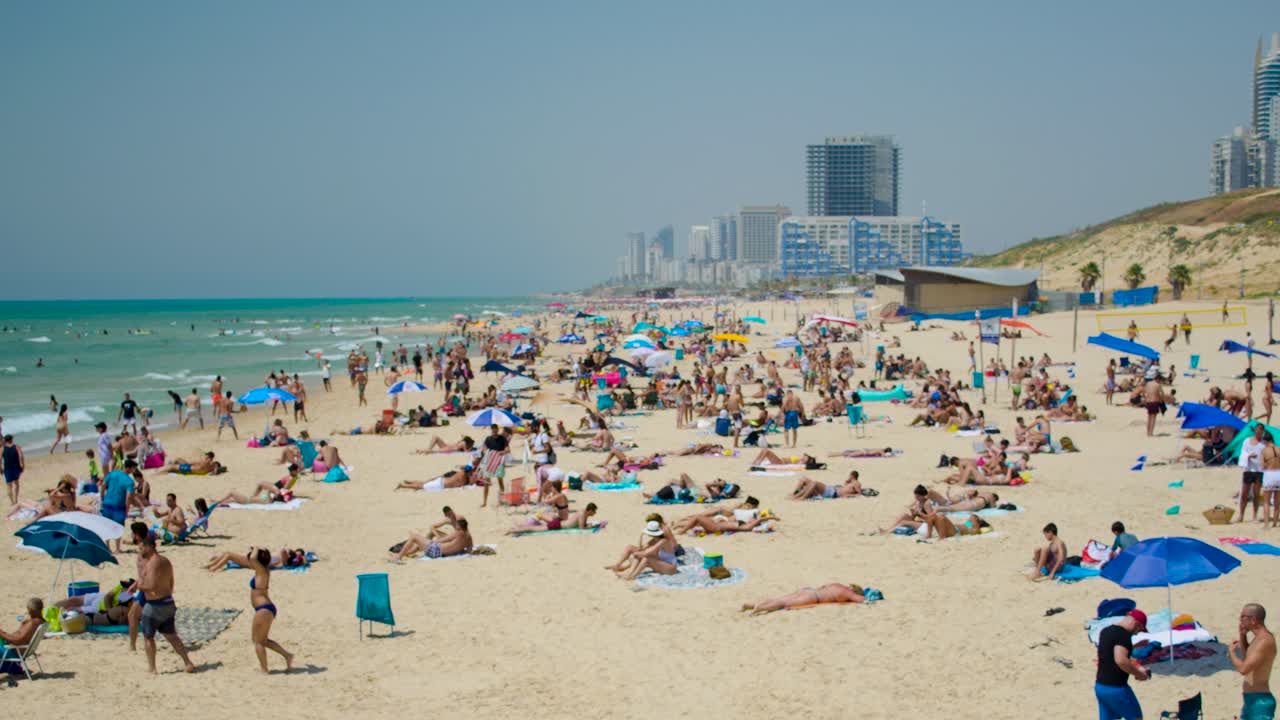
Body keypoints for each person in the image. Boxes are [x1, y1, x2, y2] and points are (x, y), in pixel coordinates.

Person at [137, 534, 197, 673]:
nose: (140, 551)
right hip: (168, 602)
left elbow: (151, 585)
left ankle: (152, 668)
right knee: (171, 635)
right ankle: (187, 662)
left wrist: (140, 586)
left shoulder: (153, 563)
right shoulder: (165, 560)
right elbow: (171, 583)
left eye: (141, 548)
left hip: (154, 605)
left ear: (149, 547)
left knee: (148, 637)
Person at [1094, 609, 1150, 720]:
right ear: (1136, 623)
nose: (1137, 633)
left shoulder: (1106, 631)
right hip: (1116, 689)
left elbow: (1109, 650)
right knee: (1136, 717)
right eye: (1139, 629)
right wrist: (1139, 674)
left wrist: (1133, 646)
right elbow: (1121, 660)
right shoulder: (1124, 636)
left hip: (1101, 686)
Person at [245, 547, 294, 673]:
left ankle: (264, 669)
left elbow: (252, 558)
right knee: (263, 640)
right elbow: (253, 559)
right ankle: (287, 655)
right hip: (265, 608)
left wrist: (256, 547)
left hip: (263, 609)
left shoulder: (261, 570)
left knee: (258, 642)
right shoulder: (263, 570)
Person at [1231, 603, 1276, 720]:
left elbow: (1243, 669)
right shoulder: (1258, 639)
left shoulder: (1265, 641)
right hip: (1250, 700)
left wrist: (1231, 654)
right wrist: (1242, 636)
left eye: (1243, 616)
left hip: (1260, 702)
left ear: (1254, 620)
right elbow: (1248, 659)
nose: (1240, 620)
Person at [603, 517, 678, 580]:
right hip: (661, 562)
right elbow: (641, 548)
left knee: (646, 558)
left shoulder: (663, 541)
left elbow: (646, 553)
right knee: (630, 547)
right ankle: (618, 566)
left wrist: (637, 554)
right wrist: (641, 536)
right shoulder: (655, 540)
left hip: (670, 568)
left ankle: (632, 576)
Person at [739, 583, 866, 616]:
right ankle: (760, 608)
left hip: (808, 590)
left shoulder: (837, 585)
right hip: (813, 597)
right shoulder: (846, 592)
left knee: (779, 598)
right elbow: (861, 600)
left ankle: (751, 605)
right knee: (783, 603)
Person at [391, 517, 473, 561]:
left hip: (435, 551)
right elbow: (469, 550)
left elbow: (440, 541)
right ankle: (407, 553)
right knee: (422, 544)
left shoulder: (457, 533)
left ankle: (398, 557)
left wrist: (430, 540)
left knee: (414, 536)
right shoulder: (469, 538)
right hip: (442, 554)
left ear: (459, 527)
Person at [0, 598, 44, 676]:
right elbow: (21, 637)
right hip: (21, 650)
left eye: (28, 609)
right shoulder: (40, 621)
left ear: (32, 610)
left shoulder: (32, 624)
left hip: (13, 651)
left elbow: (18, 640)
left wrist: (2, 634)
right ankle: (13, 668)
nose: (28, 611)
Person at [100, 460, 137, 551]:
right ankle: (117, 548)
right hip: (119, 505)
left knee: (106, 526)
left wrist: (102, 498)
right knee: (118, 527)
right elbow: (128, 497)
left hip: (107, 503)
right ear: (130, 468)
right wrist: (127, 508)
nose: (134, 470)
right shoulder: (129, 481)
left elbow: (103, 485)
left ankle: (107, 546)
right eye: (133, 468)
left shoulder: (113, 473)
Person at [1242, 422, 1268, 524]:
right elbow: (1243, 453)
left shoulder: (1264, 444)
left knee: (1256, 494)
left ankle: (1254, 516)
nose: (1259, 431)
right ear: (1255, 430)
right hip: (1248, 469)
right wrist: (1248, 456)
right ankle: (1241, 515)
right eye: (1257, 429)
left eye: (1261, 430)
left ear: (1263, 431)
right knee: (1244, 494)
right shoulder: (1247, 441)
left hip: (1259, 470)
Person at [479, 424, 509, 508]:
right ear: (491, 430)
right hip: (490, 461)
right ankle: (484, 502)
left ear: (497, 430)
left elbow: (507, 449)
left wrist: (501, 452)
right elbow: (484, 448)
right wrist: (487, 453)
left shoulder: (502, 439)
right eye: (493, 429)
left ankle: (501, 500)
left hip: (499, 461)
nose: (494, 430)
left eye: (495, 429)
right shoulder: (488, 439)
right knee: (486, 482)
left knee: (500, 481)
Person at [790, 471, 863, 500]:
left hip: (833, 493)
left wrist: (849, 496)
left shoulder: (856, 483)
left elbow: (859, 494)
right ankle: (794, 494)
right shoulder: (849, 483)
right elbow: (845, 489)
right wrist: (846, 483)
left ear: (852, 476)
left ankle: (802, 497)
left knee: (814, 483)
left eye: (849, 476)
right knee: (804, 479)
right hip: (831, 489)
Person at [397, 466, 474, 491]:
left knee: (424, 482)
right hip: (440, 485)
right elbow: (463, 484)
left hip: (442, 480)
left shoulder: (461, 472)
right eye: (470, 472)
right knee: (421, 487)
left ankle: (409, 482)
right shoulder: (463, 478)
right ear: (467, 472)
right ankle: (403, 486)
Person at [1, 435, 24, 506]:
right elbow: (21, 456)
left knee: (9, 485)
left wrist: (0, 468)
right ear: (12, 439)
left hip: (8, 468)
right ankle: (16, 499)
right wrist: (22, 465)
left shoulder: (2, 449)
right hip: (16, 467)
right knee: (16, 483)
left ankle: (12, 502)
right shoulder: (17, 447)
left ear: (5, 440)